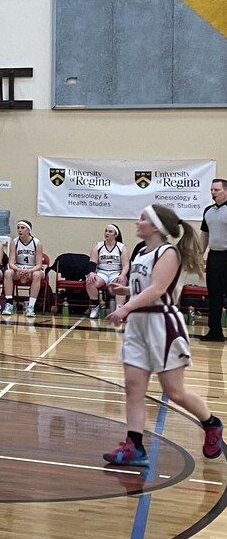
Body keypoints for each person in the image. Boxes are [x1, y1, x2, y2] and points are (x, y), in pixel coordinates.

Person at [102, 203, 222, 466]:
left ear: (155, 225)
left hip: (162, 325)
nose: (138, 221)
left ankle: (211, 423)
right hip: (138, 325)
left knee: (174, 391)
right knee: (133, 388)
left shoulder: (168, 252)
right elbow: (145, 288)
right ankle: (134, 446)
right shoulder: (141, 252)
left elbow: (157, 290)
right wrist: (125, 293)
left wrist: (126, 308)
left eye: (142, 217)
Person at [200, 178, 227, 342]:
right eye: (211, 190)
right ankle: (215, 332)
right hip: (214, 256)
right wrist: (199, 255)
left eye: (216, 190)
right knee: (214, 295)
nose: (213, 192)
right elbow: (205, 234)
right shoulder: (208, 210)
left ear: (225, 191)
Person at [2, 219, 45, 317]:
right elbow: (11, 262)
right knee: (8, 273)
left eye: (22, 228)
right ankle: (9, 304)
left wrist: (29, 270)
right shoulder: (14, 242)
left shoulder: (37, 243)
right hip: (19, 268)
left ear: (28, 230)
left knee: (37, 274)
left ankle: (31, 306)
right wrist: (18, 269)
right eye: (18, 228)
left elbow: (39, 265)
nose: (19, 230)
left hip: (33, 269)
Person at [86, 224, 126, 320]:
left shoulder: (121, 247)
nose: (107, 233)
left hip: (116, 272)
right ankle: (95, 307)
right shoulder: (98, 246)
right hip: (102, 272)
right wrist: (91, 273)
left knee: (121, 283)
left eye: (110, 231)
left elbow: (126, 265)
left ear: (115, 234)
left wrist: (122, 275)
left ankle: (119, 310)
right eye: (106, 231)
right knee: (90, 282)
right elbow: (92, 261)